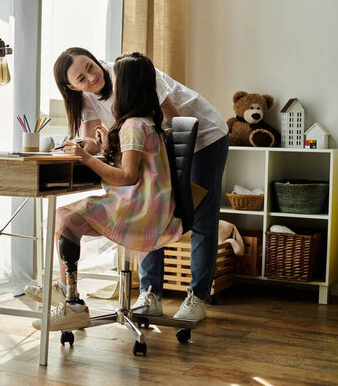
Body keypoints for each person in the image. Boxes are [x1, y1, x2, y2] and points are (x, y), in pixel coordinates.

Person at [26, 46, 229, 322]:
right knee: (152, 212)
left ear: (96, 59)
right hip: (152, 143)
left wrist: (155, 171)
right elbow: (97, 141)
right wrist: (91, 145)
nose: (91, 77)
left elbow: (173, 124)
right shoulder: (95, 99)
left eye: (90, 67)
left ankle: (197, 297)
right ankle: (150, 293)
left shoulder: (130, 74)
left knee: (199, 217)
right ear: (72, 87)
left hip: (203, 135)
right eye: (81, 79)